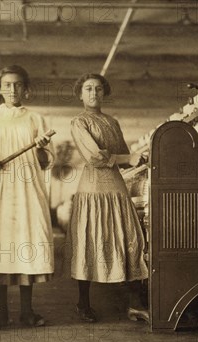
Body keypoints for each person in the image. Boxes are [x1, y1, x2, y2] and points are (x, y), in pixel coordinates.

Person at [0, 65, 53, 327]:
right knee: (0, 243)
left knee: (25, 242)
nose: (12, 89)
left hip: (28, 189)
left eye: (18, 84)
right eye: (7, 84)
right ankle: (0, 311)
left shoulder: (36, 119)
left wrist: (40, 149)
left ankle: (28, 311)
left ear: (26, 90)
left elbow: (45, 161)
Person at [65, 73, 149, 323]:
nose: (94, 93)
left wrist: (141, 156)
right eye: (88, 89)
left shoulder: (112, 122)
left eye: (98, 89)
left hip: (117, 190)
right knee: (90, 243)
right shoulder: (79, 122)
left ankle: (135, 304)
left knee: (129, 240)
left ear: (104, 93)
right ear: (80, 94)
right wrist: (128, 158)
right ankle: (83, 303)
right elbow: (95, 157)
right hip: (93, 191)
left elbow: (123, 156)